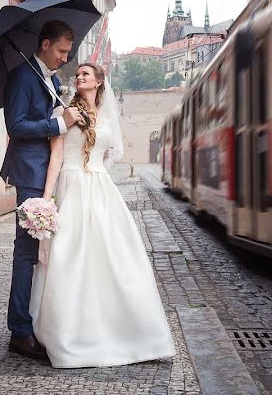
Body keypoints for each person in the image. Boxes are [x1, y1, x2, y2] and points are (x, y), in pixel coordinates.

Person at [29, 62, 176, 368]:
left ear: (98, 82)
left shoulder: (109, 117)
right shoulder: (61, 113)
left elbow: (108, 155)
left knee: (112, 256)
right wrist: (46, 200)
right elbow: (56, 157)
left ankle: (126, 331)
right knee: (68, 257)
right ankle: (68, 334)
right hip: (70, 185)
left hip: (100, 188)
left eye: (86, 74)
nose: (79, 76)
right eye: (78, 74)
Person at [0, 20, 83, 361]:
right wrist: (59, 123)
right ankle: (20, 331)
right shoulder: (22, 76)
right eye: (62, 51)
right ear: (45, 43)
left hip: (49, 172)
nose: (65, 58)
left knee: (41, 254)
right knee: (27, 253)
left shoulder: (50, 79)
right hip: (32, 173)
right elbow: (16, 126)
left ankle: (38, 321)